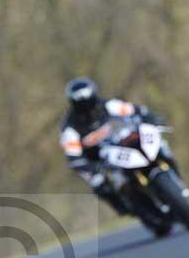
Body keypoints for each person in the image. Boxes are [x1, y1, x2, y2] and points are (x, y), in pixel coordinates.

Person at [60, 77, 166, 214]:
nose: (85, 104)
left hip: (120, 144)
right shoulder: (70, 126)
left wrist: (151, 118)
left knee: (157, 145)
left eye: (87, 98)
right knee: (98, 183)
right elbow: (73, 155)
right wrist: (90, 167)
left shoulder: (108, 105)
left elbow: (135, 111)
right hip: (96, 160)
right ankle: (124, 207)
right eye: (80, 101)